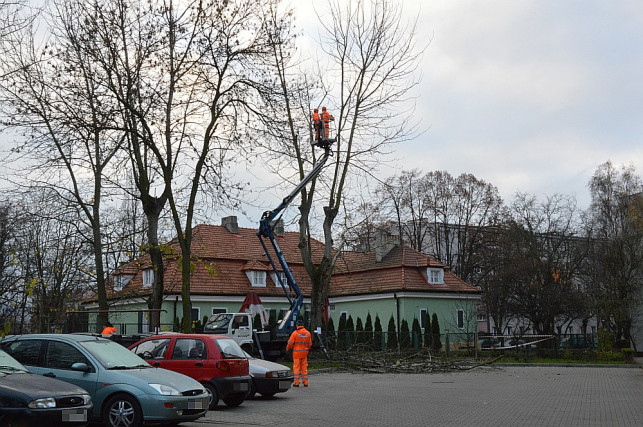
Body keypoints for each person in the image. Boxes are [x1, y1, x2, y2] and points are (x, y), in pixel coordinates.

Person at [286, 318, 312, 387]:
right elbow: (309, 344)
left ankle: (297, 383)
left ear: (297, 325)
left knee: (296, 368)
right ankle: (305, 382)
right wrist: (306, 349)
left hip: (297, 354)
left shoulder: (295, 333)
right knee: (304, 368)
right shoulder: (308, 333)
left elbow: (290, 343)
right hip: (304, 353)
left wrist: (288, 349)